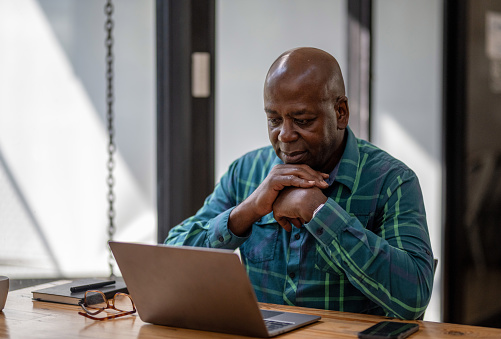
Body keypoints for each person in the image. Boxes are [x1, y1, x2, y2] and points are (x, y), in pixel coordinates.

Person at [165, 47, 434, 320]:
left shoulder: (391, 181)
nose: (284, 135)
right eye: (274, 120)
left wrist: (318, 211)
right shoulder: (245, 172)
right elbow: (168, 263)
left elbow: (413, 299)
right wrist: (249, 209)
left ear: (341, 112)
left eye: (302, 120)